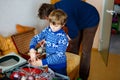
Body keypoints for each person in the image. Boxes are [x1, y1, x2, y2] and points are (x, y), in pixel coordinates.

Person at [38, 0, 100, 80]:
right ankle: (74, 69)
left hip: (91, 18)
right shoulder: (55, 9)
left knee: (85, 51)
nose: (47, 21)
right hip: (78, 20)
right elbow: (54, 27)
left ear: (50, 14)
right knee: (74, 46)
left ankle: (83, 77)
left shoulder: (65, 12)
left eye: (47, 19)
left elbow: (74, 33)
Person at [29, 9, 69, 75]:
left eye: (56, 26)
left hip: (59, 66)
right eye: (51, 24)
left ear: (63, 24)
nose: (52, 27)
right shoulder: (48, 30)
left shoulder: (63, 38)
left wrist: (42, 62)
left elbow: (58, 56)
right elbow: (35, 38)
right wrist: (32, 49)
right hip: (49, 64)